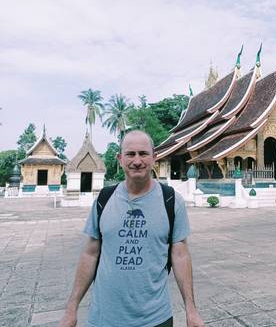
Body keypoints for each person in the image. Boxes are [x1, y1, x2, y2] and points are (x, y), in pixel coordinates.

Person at [60, 130, 204, 327]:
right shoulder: (104, 199)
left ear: (154, 157)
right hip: (104, 318)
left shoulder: (171, 201)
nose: (137, 161)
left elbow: (180, 255)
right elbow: (90, 254)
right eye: (130, 154)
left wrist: (191, 309)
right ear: (120, 159)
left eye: (143, 154)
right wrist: (71, 307)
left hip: (155, 318)